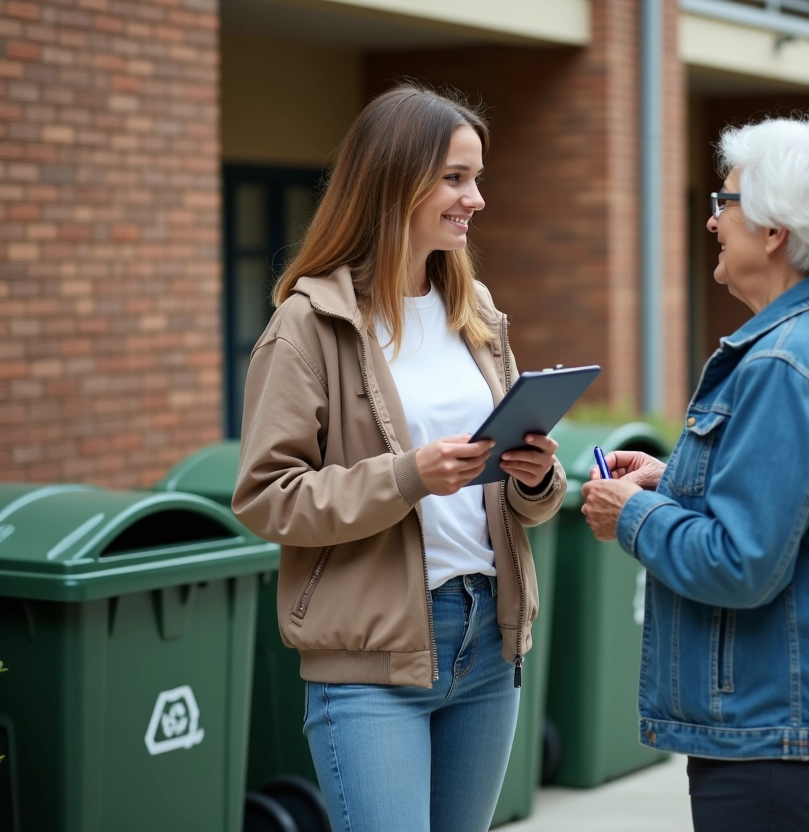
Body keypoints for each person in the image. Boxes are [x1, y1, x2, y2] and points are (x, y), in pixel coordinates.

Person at [232, 84, 566, 832]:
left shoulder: (474, 310)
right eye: (454, 178)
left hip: (487, 641)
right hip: (370, 661)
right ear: (392, 182)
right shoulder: (308, 326)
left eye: (475, 178)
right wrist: (407, 476)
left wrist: (537, 479)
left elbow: (522, 498)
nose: (475, 198)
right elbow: (266, 497)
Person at [581, 111, 809, 832]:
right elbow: (796, 512)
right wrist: (673, 482)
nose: (712, 222)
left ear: (774, 232)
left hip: (783, 737)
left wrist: (630, 516)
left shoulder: (783, 365)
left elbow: (740, 564)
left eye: (723, 202)